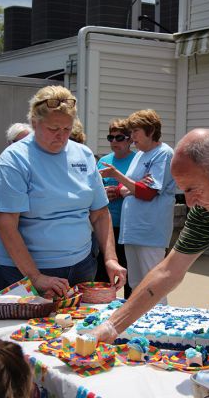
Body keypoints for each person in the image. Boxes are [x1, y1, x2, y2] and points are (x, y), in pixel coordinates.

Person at [90, 127, 209, 343]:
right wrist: (111, 327)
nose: (189, 203)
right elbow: (168, 271)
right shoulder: (206, 209)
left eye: (192, 189)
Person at [0, 85, 126, 297]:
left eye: (66, 129)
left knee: (75, 327)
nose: (61, 136)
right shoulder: (15, 159)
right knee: (29, 330)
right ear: (34, 123)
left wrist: (110, 259)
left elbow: (100, 213)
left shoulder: (83, 155)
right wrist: (35, 277)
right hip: (26, 271)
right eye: (53, 128)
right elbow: (5, 224)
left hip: (82, 265)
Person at [99, 109, 176, 304]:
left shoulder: (163, 153)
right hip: (133, 231)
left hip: (150, 231)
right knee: (136, 284)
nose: (132, 137)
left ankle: (158, 330)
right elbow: (128, 188)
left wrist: (119, 177)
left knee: (153, 285)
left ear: (150, 131)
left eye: (135, 132)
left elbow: (147, 192)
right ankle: (139, 326)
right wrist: (132, 186)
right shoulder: (141, 154)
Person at [96, 118, 136, 298]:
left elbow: (144, 187)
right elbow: (93, 189)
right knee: (103, 275)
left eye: (119, 138)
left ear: (130, 139)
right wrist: (102, 192)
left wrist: (120, 190)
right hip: (106, 227)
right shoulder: (103, 161)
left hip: (129, 228)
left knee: (130, 275)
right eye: (110, 138)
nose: (114, 142)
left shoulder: (138, 160)